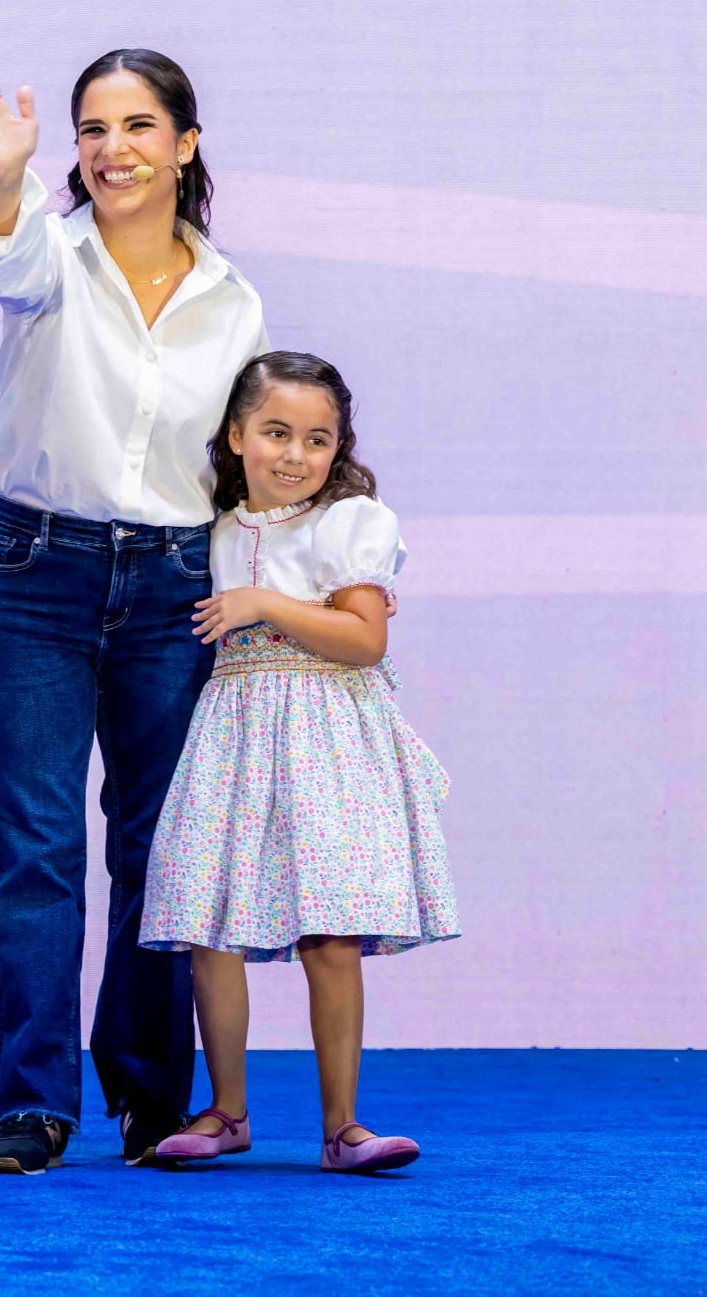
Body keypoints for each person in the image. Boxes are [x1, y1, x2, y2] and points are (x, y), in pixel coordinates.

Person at [0, 48, 269, 1174]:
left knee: (159, 851)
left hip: (175, 587)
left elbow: (239, 468)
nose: (115, 150)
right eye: (93, 130)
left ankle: (151, 1098)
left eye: (139, 126)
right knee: (40, 848)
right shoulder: (49, 254)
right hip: (33, 576)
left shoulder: (233, 299)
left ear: (186, 144)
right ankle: (35, 1103)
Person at [138, 351, 459, 1174]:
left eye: (318, 439)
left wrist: (265, 603)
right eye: (276, 432)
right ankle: (227, 1111)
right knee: (212, 921)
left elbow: (364, 638)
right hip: (235, 729)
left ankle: (343, 1127)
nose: (295, 454)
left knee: (331, 928)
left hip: (327, 733)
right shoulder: (213, 526)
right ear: (235, 434)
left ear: (339, 446)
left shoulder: (348, 520)